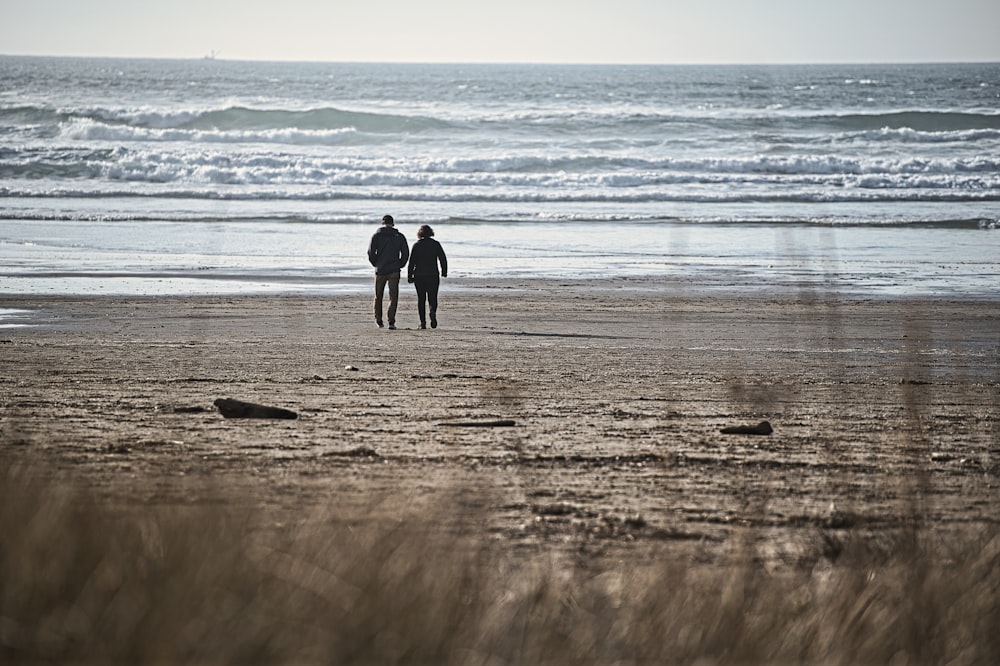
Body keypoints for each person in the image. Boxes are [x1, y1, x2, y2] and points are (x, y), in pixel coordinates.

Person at [367, 214, 409, 329]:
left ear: (382, 223)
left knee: (378, 296)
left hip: (380, 269)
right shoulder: (399, 236)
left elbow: (371, 253)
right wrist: (400, 264)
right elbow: (405, 253)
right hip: (394, 269)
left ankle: (379, 320)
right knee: (393, 296)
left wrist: (376, 264)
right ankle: (391, 321)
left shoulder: (376, 235)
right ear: (393, 223)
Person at [407, 224, 448, 329]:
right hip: (433, 274)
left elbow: (411, 262)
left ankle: (423, 322)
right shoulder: (435, 244)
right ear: (431, 233)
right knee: (432, 297)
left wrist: (409, 276)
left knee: (421, 299)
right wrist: (444, 271)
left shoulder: (417, 245)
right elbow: (442, 258)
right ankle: (432, 311)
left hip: (419, 275)